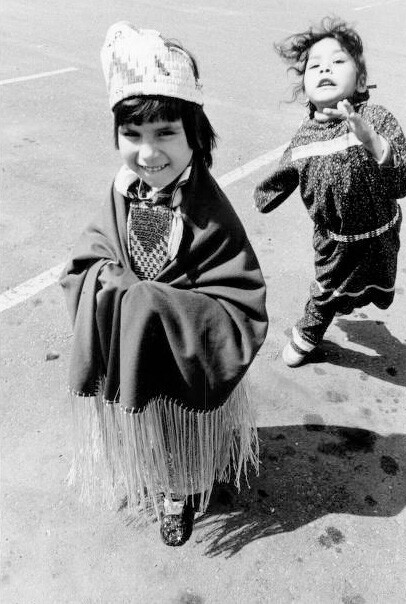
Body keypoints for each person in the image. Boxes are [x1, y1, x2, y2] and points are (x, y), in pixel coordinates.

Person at [60, 22, 268, 546]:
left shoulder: (208, 208)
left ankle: (185, 488)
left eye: (165, 134)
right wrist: (108, 286)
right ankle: (159, 478)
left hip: (186, 358)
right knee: (152, 428)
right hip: (137, 350)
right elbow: (90, 258)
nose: (148, 154)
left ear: (195, 133)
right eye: (132, 136)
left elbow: (238, 295)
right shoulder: (122, 191)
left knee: (188, 436)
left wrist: (161, 306)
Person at [254, 17, 406, 367]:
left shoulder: (377, 118)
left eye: (338, 61)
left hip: (382, 232)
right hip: (334, 243)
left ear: (359, 81)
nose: (325, 67)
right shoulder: (303, 139)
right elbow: (278, 179)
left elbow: (404, 181)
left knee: (378, 283)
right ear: (306, 87)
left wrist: (373, 142)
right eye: (315, 65)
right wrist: (265, 195)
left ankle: (364, 307)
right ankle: (309, 334)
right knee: (326, 294)